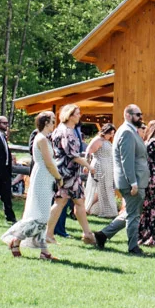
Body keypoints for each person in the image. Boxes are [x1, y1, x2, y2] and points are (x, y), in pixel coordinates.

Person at [3, 112, 61, 260]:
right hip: (42, 176)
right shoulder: (41, 138)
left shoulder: (44, 139)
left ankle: (44, 252)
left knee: (42, 215)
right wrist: (59, 177)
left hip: (45, 177)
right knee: (39, 216)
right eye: (52, 121)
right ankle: (15, 240)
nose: (54, 124)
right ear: (46, 122)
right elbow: (48, 162)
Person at [94, 105, 149, 256]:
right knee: (133, 215)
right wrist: (133, 183)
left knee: (131, 212)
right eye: (138, 114)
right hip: (131, 181)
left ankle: (103, 235)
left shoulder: (131, 131)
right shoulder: (127, 132)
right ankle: (133, 247)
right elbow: (127, 160)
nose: (141, 117)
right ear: (128, 115)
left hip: (135, 180)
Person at [47, 104, 95, 245]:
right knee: (60, 202)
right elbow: (72, 154)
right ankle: (47, 234)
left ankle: (87, 234)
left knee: (79, 202)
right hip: (66, 173)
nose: (80, 116)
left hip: (70, 173)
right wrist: (89, 166)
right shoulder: (67, 132)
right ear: (69, 115)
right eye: (77, 113)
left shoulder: (61, 130)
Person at [83, 123, 118, 218]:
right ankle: (87, 208)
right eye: (110, 133)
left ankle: (90, 209)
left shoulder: (106, 141)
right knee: (100, 189)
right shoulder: (98, 140)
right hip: (100, 166)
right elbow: (88, 152)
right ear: (105, 132)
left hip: (107, 167)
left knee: (105, 188)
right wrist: (87, 165)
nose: (112, 135)